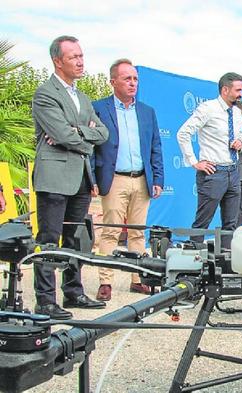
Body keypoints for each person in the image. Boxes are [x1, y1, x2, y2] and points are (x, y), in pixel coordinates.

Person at [32, 35, 109, 319]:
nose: (80, 61)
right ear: (57, 61)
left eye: (81, 55)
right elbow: (61, 133)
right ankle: (46, 301)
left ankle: (74, 292)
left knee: (75, 238)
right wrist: (78, 133)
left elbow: (103, 133)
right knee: (50, 238)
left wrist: (77, 133)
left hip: (80, 177)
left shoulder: (83, 97)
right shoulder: (45, 93)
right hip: (54, 176)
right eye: (73, 57)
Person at [91, 59, 164, 302]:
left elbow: (155, 146)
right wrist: (92, 178)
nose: (132, 83)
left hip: (141, 180)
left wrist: (158, 178)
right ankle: (105, 282)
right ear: (113, 82)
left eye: (135, 79)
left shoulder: (146, 111)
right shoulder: (99, 108)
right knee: (110, 232)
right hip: (114, 179)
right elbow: (91, 148)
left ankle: (137, 279)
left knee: (137, 234)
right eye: (127, 78)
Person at [176, 72, 242, 249]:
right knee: (202, 223)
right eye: (238, 90)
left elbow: (240, 137)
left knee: (231, 224)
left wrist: (240, 143)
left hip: (234, 171)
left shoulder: (237, 113)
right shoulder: (207, 108)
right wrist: (194, 162)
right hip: (214, 173)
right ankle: (192, 263)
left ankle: (227, 264)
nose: (241, 94)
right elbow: (183, 133)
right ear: (225, 90)